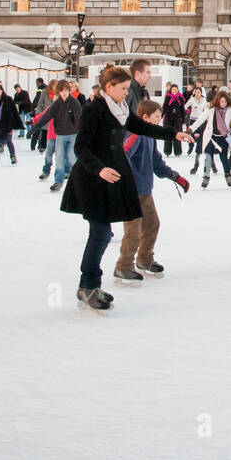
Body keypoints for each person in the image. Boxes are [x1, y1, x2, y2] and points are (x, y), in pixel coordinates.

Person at [60, 67, 193, 311]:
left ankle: (89, 284)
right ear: (109, 88)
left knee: (102, 233)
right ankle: (88, 286)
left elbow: (144, 127)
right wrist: (99, 168)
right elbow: (81, 147)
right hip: (93, 178)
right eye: (122, 89)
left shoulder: (121, 109)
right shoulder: (94, 110)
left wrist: (175, 135)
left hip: (112, 177)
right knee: (100, 233)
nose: (126, 93)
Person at [113, 99, 190, 283]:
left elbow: (156, 161)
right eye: (156, 117)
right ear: (145, 118)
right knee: (133, 229)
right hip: (132, 190)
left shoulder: (149, 136)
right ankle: (123, 266)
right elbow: (123, 155)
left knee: (152, 224)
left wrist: (174, 176)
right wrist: (127, 181)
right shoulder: (136, 134)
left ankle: (144, 259)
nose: (160, 121)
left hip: (145, 190)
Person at [188, 90, 231, 188]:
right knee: (208, 157)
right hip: (211, 137)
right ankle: (206, 177)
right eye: (221, 101)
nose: (223, 103)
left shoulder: (230, 111)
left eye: (225, 101)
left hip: (224, 138)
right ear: (218, 101)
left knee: (223, 157)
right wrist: (191, 129)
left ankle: (228, 176)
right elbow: (200, 119)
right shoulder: (211, 110)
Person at [36, 80, 81, 191]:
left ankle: (77, 180)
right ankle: (58, 181)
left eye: (65, 90)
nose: (64, 93)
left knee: (71, 158)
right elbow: (46, 116)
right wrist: (34, 129)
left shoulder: (74, 103)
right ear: (59, 92)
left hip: (73, 135)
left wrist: (81, 135)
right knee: (59, 158)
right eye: (61, 91)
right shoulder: (56, 104)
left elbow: (79, 120)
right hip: (60, 135)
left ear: (69, 91)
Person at [161, 83, 187, 156]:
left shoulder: (181, 98)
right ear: (171, 90)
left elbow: (182, 109)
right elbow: (164, 107)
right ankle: (167, 151)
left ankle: (178, 152)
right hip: (168, 118)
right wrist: (161, 115)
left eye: (175, 89)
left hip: (177, 119)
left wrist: (183, 119)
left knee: (177, 134)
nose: (174, 91)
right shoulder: (168, 97)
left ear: (178, 90)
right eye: (173, 89)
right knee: (168, 134)